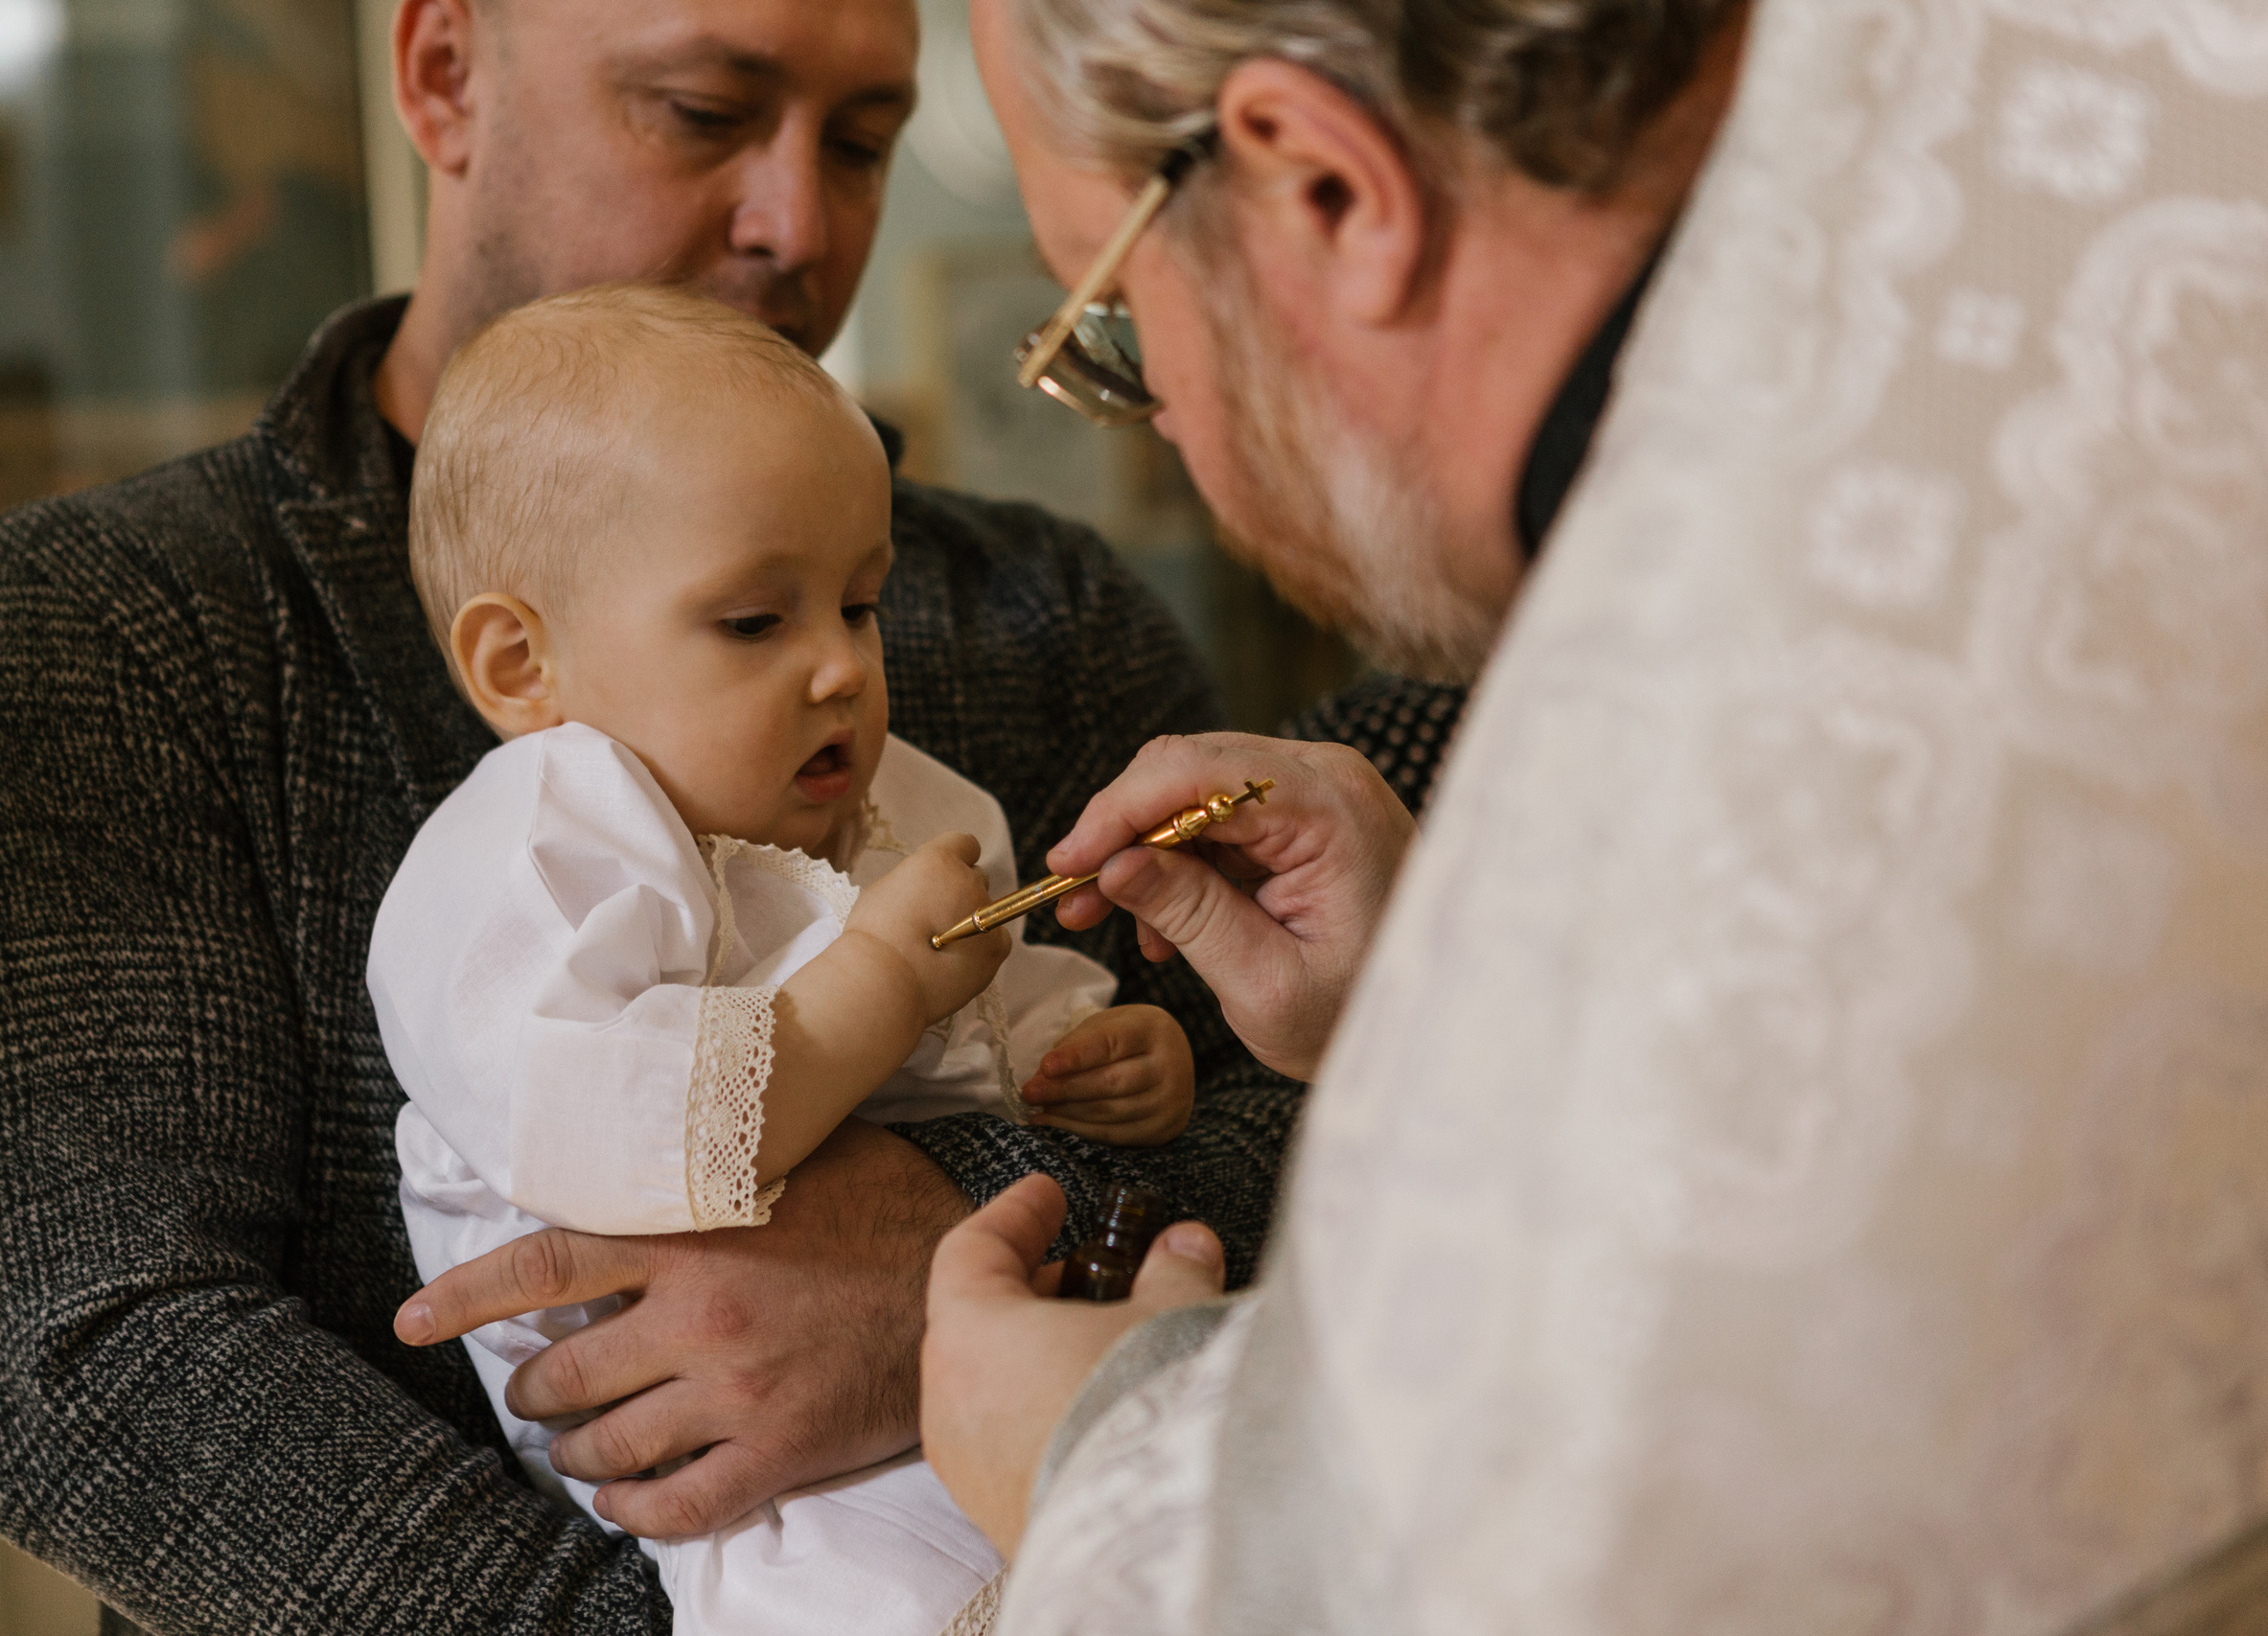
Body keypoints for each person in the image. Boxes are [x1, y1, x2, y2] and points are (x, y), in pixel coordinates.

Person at [0, 0, 1392, 1626]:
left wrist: (968, 1247)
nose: (799, 221)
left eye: (863, 143)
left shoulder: (1040, 608)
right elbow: (107, 1372)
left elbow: (1311, 1116)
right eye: (700, 109)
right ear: (445, 75)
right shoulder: (98, 634)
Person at [918, 0, 2268, 1631]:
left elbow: (1531, 1549)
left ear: (1328, 191)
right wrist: (1448, 993)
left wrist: (1100, 1445)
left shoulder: (1774, 710)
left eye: (1116, 321)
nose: (1173, 431)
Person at [377, 284, 1198, 1636]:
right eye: (757, 624)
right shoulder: (533, 847)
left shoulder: (889, 811)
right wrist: (883, 979)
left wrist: (1090, 1055)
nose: (840, 670)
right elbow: (621, 1141)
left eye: (861, 607)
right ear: (523, 663)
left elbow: (984, 1008)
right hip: (749, 1487)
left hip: (989, 1391)